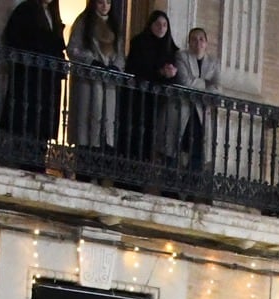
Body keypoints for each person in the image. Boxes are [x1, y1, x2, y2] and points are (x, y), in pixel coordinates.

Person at [0, 0, 67, 169]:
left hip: (47, 83)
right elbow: (14, 40)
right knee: (26, 125)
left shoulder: (54, 17)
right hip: (30, 80)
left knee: (42, 128)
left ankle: (38, 162)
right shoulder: (25, 10)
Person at [67, 0, 123, 170]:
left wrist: (116, 66)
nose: (105, 6)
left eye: (108, 2)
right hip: (88, 82)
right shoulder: (83, 22)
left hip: (108, 84)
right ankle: (84, 168)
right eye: (101, 2)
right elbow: (73, 48)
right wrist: (91, 61)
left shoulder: (114, 26)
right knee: (86, 126)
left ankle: (100, 171)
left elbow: (120, 54)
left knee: (106, 127)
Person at [124, 10, 182, 167]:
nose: (161, 28)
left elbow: (175, 79)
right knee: (136, 134)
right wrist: (159, 72)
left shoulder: (172, 49)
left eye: (164, 25)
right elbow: (134, 68)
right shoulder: (139, 43)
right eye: (158, 24)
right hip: (138, 98)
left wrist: (171, 73)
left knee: (153, 136)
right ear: (150, 25)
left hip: (160, 102)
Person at [175, 27, 221, 179]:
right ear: (189, 42)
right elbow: (185, 81)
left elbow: (217, 88)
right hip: (185, 109)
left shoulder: (213, 63)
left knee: (199, 149)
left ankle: (191, 183)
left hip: (202, 112)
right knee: (181, 147)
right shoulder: (181, 56)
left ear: (206, 43)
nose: (198, 42)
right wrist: (206, 84)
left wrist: (199, 84)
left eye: (201, 39)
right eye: (194, 39)